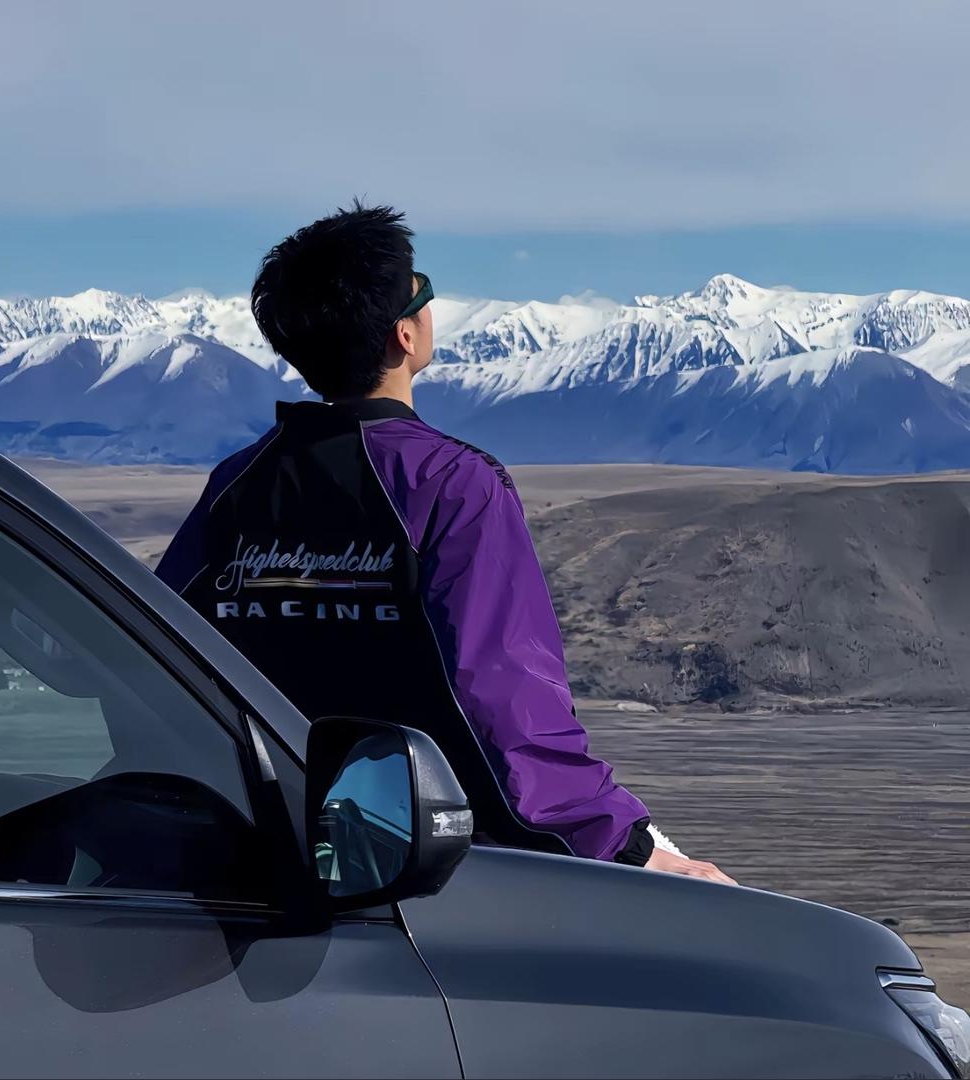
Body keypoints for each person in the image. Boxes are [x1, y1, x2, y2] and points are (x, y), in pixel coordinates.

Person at [156, 201, 734, 884]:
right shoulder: (453, 485)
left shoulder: (237, 483)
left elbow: (155, 647)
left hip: (255, 844)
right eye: (421, 291)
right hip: (434, 866)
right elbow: (502, 699)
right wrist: (631, 848)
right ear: (406, 334)